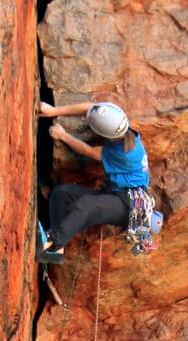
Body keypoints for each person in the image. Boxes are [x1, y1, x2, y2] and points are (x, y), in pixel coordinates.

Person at [36, 100, 153, 263]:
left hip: (129, 204)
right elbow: (89, 108)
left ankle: (50, 245)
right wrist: (54, 111)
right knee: (62, 194)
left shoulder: (126, 153)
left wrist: (63, 135)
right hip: (115, 194)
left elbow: (88, 151)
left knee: (86, 206)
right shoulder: (117, 122)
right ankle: (54, 252)